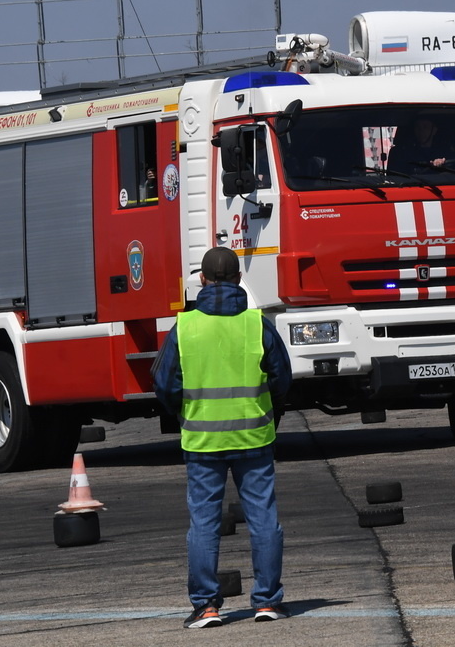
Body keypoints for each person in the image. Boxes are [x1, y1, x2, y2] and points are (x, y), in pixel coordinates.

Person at [152, 247, 293, 628]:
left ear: (202, 280)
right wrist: (270, 411)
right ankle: (267, 601)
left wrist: (185, 413)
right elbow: (282, 378)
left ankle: (207, 606)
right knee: (263, 519)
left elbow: (164, 384)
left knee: (204, 523)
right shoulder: (256, 324)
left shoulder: (184, 327)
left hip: (202, 441)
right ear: (236, 280)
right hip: (254, 437)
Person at [387, 116, 455, 173]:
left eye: (425, 127)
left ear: (434, 130)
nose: (421, 131)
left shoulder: (445, 152)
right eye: (418, 127)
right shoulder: (402, 154)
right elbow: (396, 180)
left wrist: (444, 165)